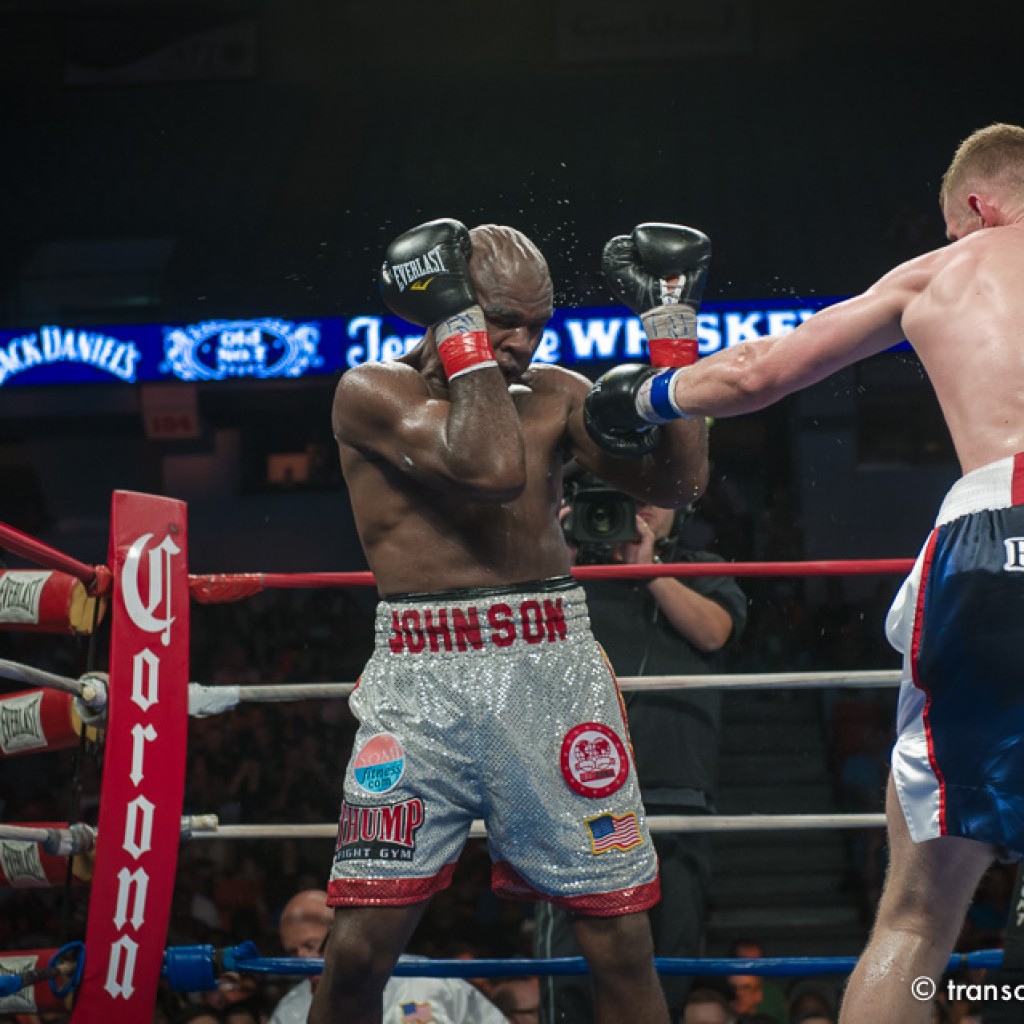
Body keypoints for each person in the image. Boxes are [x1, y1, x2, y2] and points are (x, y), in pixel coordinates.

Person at [582, 123, 1024, 1023]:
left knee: (918, 916)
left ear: (979, 207)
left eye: (955, 227)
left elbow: (757, 373)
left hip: (994, 536)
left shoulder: (944, 273)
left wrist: (646, 394)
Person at [312, 217, 712, 1024]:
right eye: (501, 320)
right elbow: (488, 466)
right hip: (419, 689)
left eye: (536, 324)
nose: (521, 343)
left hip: (551, 674)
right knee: (357, 949)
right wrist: (462, 329)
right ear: (447, 303)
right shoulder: (371, 392)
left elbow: (677, 485)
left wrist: (672, 333)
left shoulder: (557, 394)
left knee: (620, 943)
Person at [535, 486, 747, 1022]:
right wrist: (554, 559)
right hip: (575, 795)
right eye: (625, 491)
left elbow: (714, 632)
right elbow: (522, 642)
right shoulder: (563, 571)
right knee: (570, 962)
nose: (641, 502)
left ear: (683, 505)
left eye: (657, 490)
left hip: (676, 792)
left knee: (669, 954)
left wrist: (648, 571)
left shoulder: (700, 568)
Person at [268, 888, 510, 1024]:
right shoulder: (291, 1012)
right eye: (293, 952)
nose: (304, 961)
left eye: (311, 946)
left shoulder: (430, 981)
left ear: (342, 933)